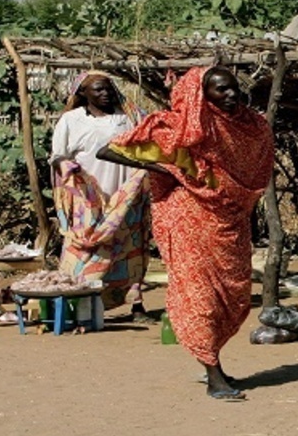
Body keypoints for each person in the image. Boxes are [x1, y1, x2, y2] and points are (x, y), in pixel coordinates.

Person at [98, 66, 274, 401]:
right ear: (201, 94)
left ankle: (213, 361)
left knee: (233, 295)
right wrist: (166, 169)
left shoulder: (249, 127)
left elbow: (257, 165)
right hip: (188, 221)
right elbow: (108, 151)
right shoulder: (178, 127)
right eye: (221, 89)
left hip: (228, 220)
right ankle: (213, 374)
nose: (231, 95)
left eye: (233, 88)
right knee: (201, 297)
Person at [51, 71, 152, 323]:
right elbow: (57, 155)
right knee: (84, 246)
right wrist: (66, 168)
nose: (105, 93)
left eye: (108, 88)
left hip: (126, 193)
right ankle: (77, 303)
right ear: (83, 93)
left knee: (129, 247)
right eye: (97, 89)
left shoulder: (128, 118)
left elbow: (150, 143)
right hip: (88, 198)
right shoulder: (71, 120)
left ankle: (136, 304)